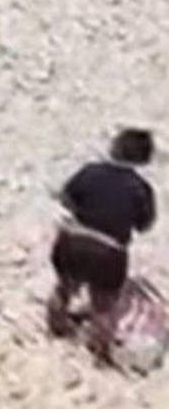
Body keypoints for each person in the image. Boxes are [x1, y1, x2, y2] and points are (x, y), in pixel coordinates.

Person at [47, 128, 156, 352]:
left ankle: (56, 326)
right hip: (108, 251)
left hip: (72, 240)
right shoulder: (141, 189)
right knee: (103, 306)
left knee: (64, 287)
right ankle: (99, 349)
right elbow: (144, 226)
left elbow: (66, 198)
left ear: (113, 148)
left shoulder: (89, 171)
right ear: (145, 159)